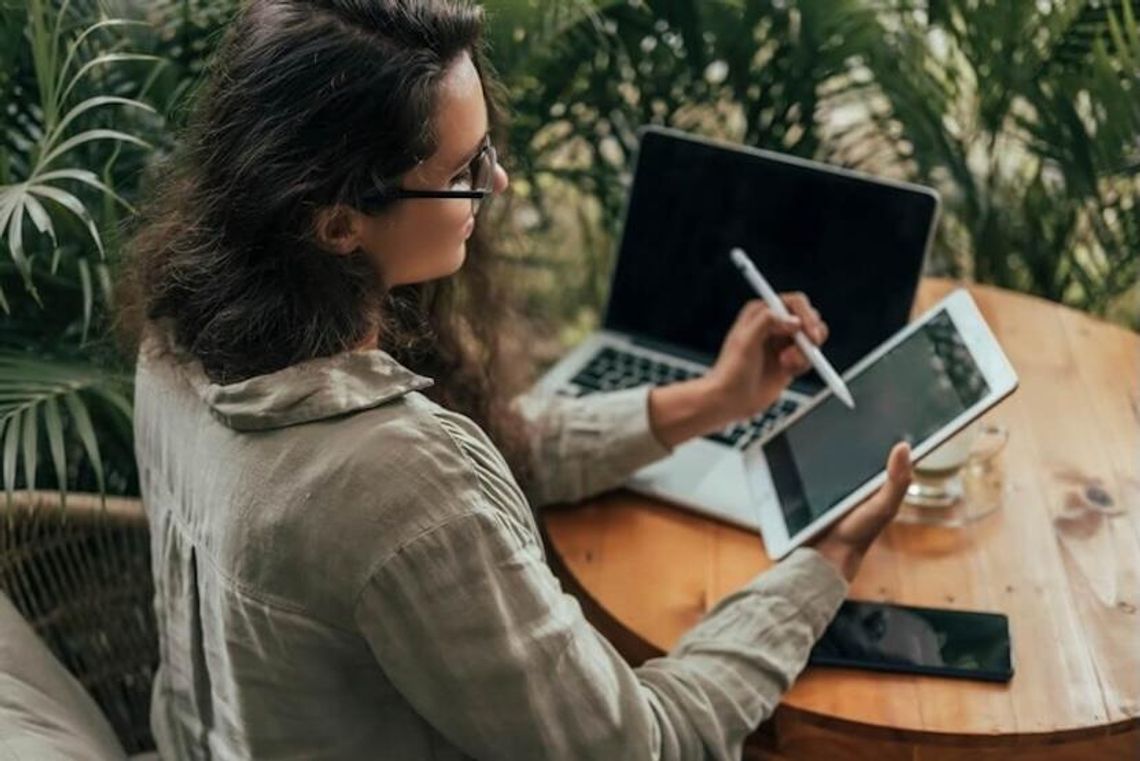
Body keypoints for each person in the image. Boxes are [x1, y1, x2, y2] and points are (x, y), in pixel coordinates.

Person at [116, 1, 912, 758]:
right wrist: (826, 561)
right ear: (338, 221)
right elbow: (643, 745)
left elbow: (463, 481)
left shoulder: (181, 338)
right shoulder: (390, 480)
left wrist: (709, 400)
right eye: (465, 168)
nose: (495, 186)